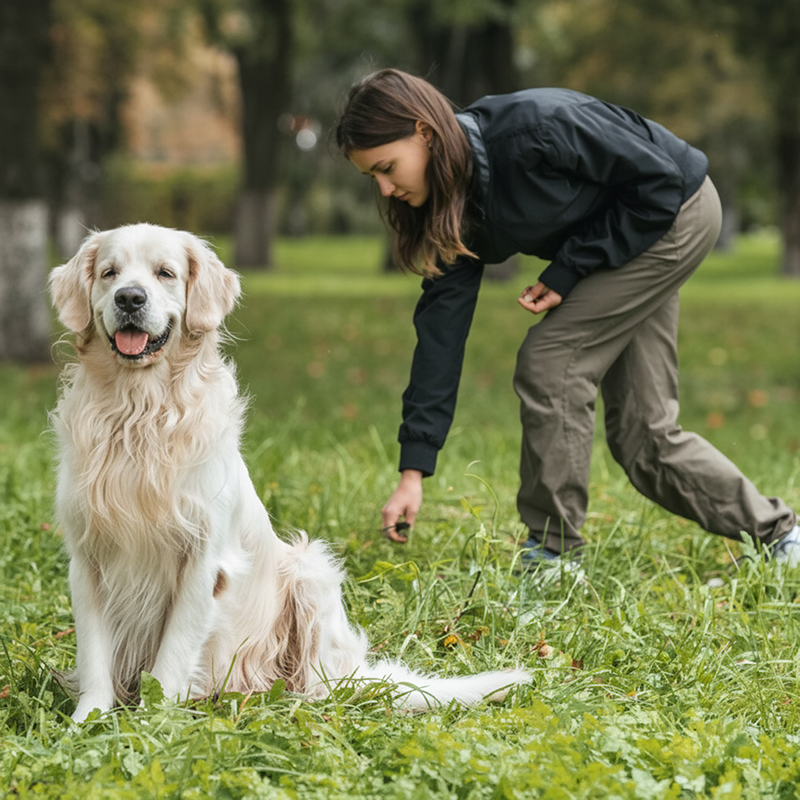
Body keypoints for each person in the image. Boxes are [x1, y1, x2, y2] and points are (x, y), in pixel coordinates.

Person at [334, 68, 799, 567]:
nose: (384, 190)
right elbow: (440, 336)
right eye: (372, 178)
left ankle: (551, 557)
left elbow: (659, 184)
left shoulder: (535, 129)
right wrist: (413, 471)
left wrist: (567, 271)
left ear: (424, 131)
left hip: (674, 213)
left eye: (387, 167)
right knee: (644, 435)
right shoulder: (450, 205)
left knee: (550, 361)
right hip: (627, 234)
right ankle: (780, 535)